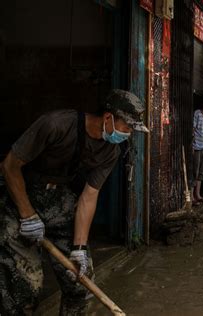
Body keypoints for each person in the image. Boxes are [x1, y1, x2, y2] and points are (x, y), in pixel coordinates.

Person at [0, 89, 149, 315]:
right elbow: (9, 166)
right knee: (23, 290)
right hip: (19, 197)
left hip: (59, 201)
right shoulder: (56, 125)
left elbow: (89, 196)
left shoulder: (111, 151)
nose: (129, 133)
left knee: (80, 282)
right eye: (128, 127)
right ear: (108, 117)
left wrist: (79, 248)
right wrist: (27, 214)